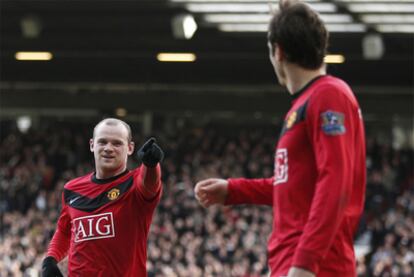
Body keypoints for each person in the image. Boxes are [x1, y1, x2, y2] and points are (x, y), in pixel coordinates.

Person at [194, 1, 366, 276]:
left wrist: (305, 263)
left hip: (317, 266)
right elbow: (295, 186)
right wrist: (234, 190)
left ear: (278, 51)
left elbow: (336, 181)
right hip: (293, 262)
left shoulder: (328, 95)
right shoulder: (307, 102)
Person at [41, 118, 164, 277]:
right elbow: (65, 231)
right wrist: (50, 260)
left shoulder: (135, 184)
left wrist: (151, 164)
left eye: (117, 143)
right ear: (92, 145)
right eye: (102, 142)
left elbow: (150, 184)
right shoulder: (72, 189)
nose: (108, 148)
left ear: (130, 148)